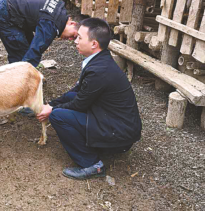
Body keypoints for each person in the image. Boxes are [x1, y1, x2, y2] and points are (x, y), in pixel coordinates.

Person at [36, 18, 142, 180]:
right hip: (115, 123)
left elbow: (79, 104)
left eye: (79, 38)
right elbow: (76, 92)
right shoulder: (99, 60)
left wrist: (53, 110)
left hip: (120, 135)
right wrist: (51, 104)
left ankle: (92, 164)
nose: (75, 41)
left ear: (94, 44)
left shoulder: (99, 71)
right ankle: (96, 146)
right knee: (68, 99)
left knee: (58, 116)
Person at [0, 0, 88, 68]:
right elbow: (36, 49)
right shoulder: (51, 24)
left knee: (27, 48)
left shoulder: (60, 10)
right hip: (5, 14)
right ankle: (18, 83)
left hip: (15, 7)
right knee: (19, 53)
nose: (71, 39)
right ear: (72, 23)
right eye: (74, 36)